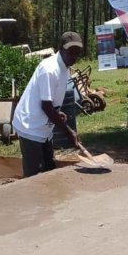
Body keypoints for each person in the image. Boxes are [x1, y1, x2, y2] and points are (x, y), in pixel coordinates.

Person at [12, 32, 84, 176]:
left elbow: (49, 103)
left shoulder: (65, 67)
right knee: (34, 176)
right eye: (71, 52)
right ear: (61, 49)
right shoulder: (50, 69)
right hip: (30, 126)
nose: (74, 56)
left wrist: (57, 113)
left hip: (44, 127)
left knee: (49, 170)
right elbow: (46, 106)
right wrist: (69, 132)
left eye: (77, 52)